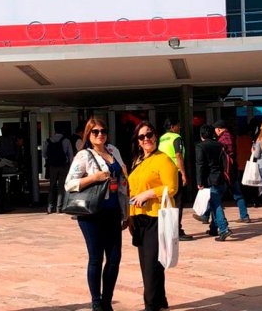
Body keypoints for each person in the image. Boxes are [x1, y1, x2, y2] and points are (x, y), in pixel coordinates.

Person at [64, 118, 129, 311]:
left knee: (115, 257)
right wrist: (94, 177)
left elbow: (123, 182)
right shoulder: (84, 155)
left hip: (113, 210)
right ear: (89, 135)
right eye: (95, 132)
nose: (100, 134)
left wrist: (126, 213)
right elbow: (69, 184)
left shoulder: (113, 151)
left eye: (103, 131)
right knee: (95, 257)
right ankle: (96, 301)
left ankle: (107, 300)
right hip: (92, 213)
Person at [129, 121, 177, 311]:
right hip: (139, 218)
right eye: (142, 136)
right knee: (149, 264)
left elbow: (171, 187)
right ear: (138, 141)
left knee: (151, 266)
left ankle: (151, 306)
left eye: (149, 134)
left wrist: (147, 194)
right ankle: (160, 301)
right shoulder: (138, 160)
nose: (146, 139)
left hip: (156, 217)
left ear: (155, 136)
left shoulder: (163, 159)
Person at [195, 124, 233, 241]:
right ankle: (213, 228)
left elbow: (200, 165)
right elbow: (224, 162)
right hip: (221, 178)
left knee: (216, 205)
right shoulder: (220, 145)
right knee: (214, 203)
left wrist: (199, 181)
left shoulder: (200, 146)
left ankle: (224, 229)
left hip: (210, 181)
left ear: (201, 135)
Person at [158, 118, 192, 241]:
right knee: (178, 203)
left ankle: (169, 229)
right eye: (178, 126)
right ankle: (176, 230)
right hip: (174, 173)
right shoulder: (176, 138)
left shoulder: (161, 139)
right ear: (172, 127)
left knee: (168, 202)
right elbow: (178, 155)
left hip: (163, 174)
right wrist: (183, 174)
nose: (180, 128)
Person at [213, 120, 251, 223]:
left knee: (216, 194)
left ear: (219, 129)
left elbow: (224, 155)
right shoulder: (230, 136)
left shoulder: (224, 138)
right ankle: (244, 216)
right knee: (237, 194)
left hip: (226, 171)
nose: (215, 132)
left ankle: (205, 215)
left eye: (215, 129)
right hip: (232, 170)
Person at [44, 123, 74, 214]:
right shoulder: (66, 141)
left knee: (51, 186)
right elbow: (70, 155)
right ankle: (59, 207)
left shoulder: (48, 141)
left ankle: (49, 207)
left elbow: (44, 154)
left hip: (52, 166)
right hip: (63, 166)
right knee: (61, 187)